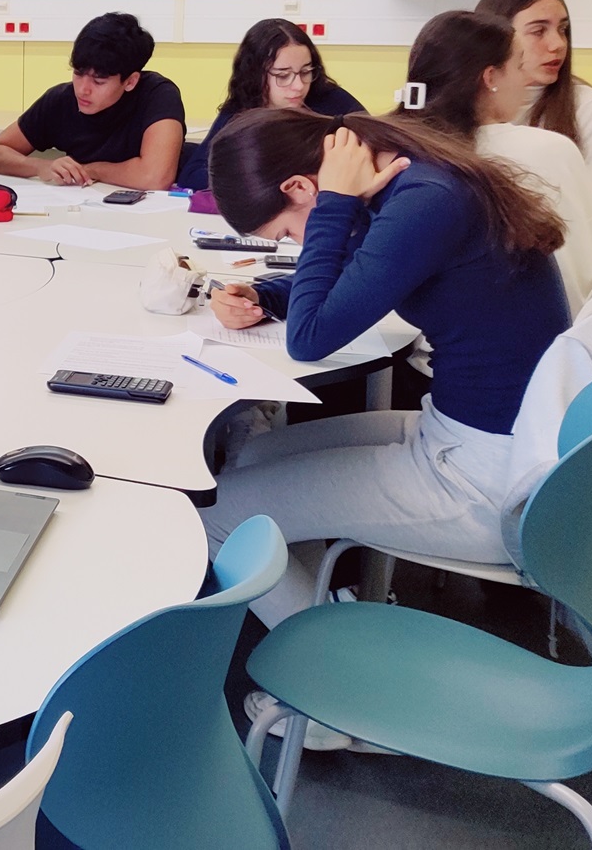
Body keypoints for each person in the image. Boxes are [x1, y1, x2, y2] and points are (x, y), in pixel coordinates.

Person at [201, 108, 569, 629]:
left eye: (286, 231)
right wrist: (266, 295)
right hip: (479, 437)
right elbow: (365, 271)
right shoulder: (412, 178)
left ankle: (328, 666)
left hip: (489, 482)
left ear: (301, 187)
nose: (298, 244)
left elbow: (310, 338)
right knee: (256, 456)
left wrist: (334, 205)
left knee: (218, 517)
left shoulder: (427, 200)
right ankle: (320, 611)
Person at [401, 10, 592, 309]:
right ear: (490, 78)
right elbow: (587, 272)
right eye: (520, 66)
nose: (527, 78)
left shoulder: (402, 152)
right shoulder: (550, 149)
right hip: (556, 328)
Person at [476, 0, 592, 243]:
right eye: (538, 31)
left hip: (559, 260)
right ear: (497, 38)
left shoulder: (590, 107)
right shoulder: (465, 105)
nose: (558, 44)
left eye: (563, 29)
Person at [0, 12, 184, 188]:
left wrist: (91, 170)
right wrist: (43, 166)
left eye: (99, 81)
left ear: (130, 81)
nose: (83, 90)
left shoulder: (158, 95)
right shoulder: (61, 99)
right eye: (78, 73)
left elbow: (154, 177)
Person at [175, 18, 364, 191]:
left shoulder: (332, 101)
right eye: (283, 75)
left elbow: (374, 150)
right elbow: (192, 175)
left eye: (306, 72)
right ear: (256, 75)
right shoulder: (241, 110)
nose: (299, 86)